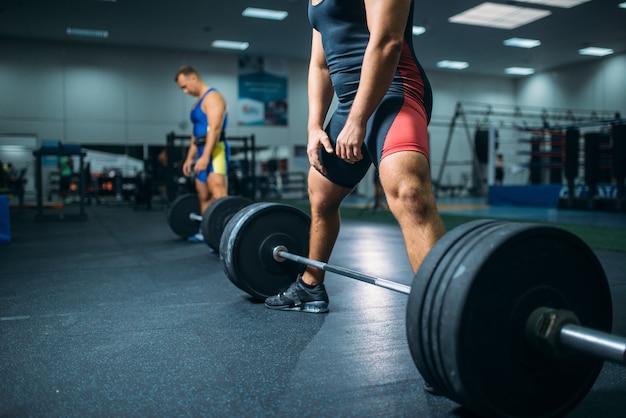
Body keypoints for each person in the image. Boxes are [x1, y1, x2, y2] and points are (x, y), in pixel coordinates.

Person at [265, 0, 446, 314]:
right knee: (320, 196)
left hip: (394, 90)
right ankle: (310, 285)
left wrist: (358, 120)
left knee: (409, 193)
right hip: (349, 104)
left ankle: (449, 305)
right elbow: (320, 64)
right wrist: (313, 126)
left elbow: (388, 41)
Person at [174, 65, 230, 242]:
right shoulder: (197, 102)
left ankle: (227, 235)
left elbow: (214, 129)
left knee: (219, 194)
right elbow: (195, 134)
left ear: (194, 79)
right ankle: (207, 232)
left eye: (184, 86)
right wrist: (190, 158)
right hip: (201, 150)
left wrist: (206, 156)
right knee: (203, 194)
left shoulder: (213, 97)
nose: (184, 91)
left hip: (215, 151)